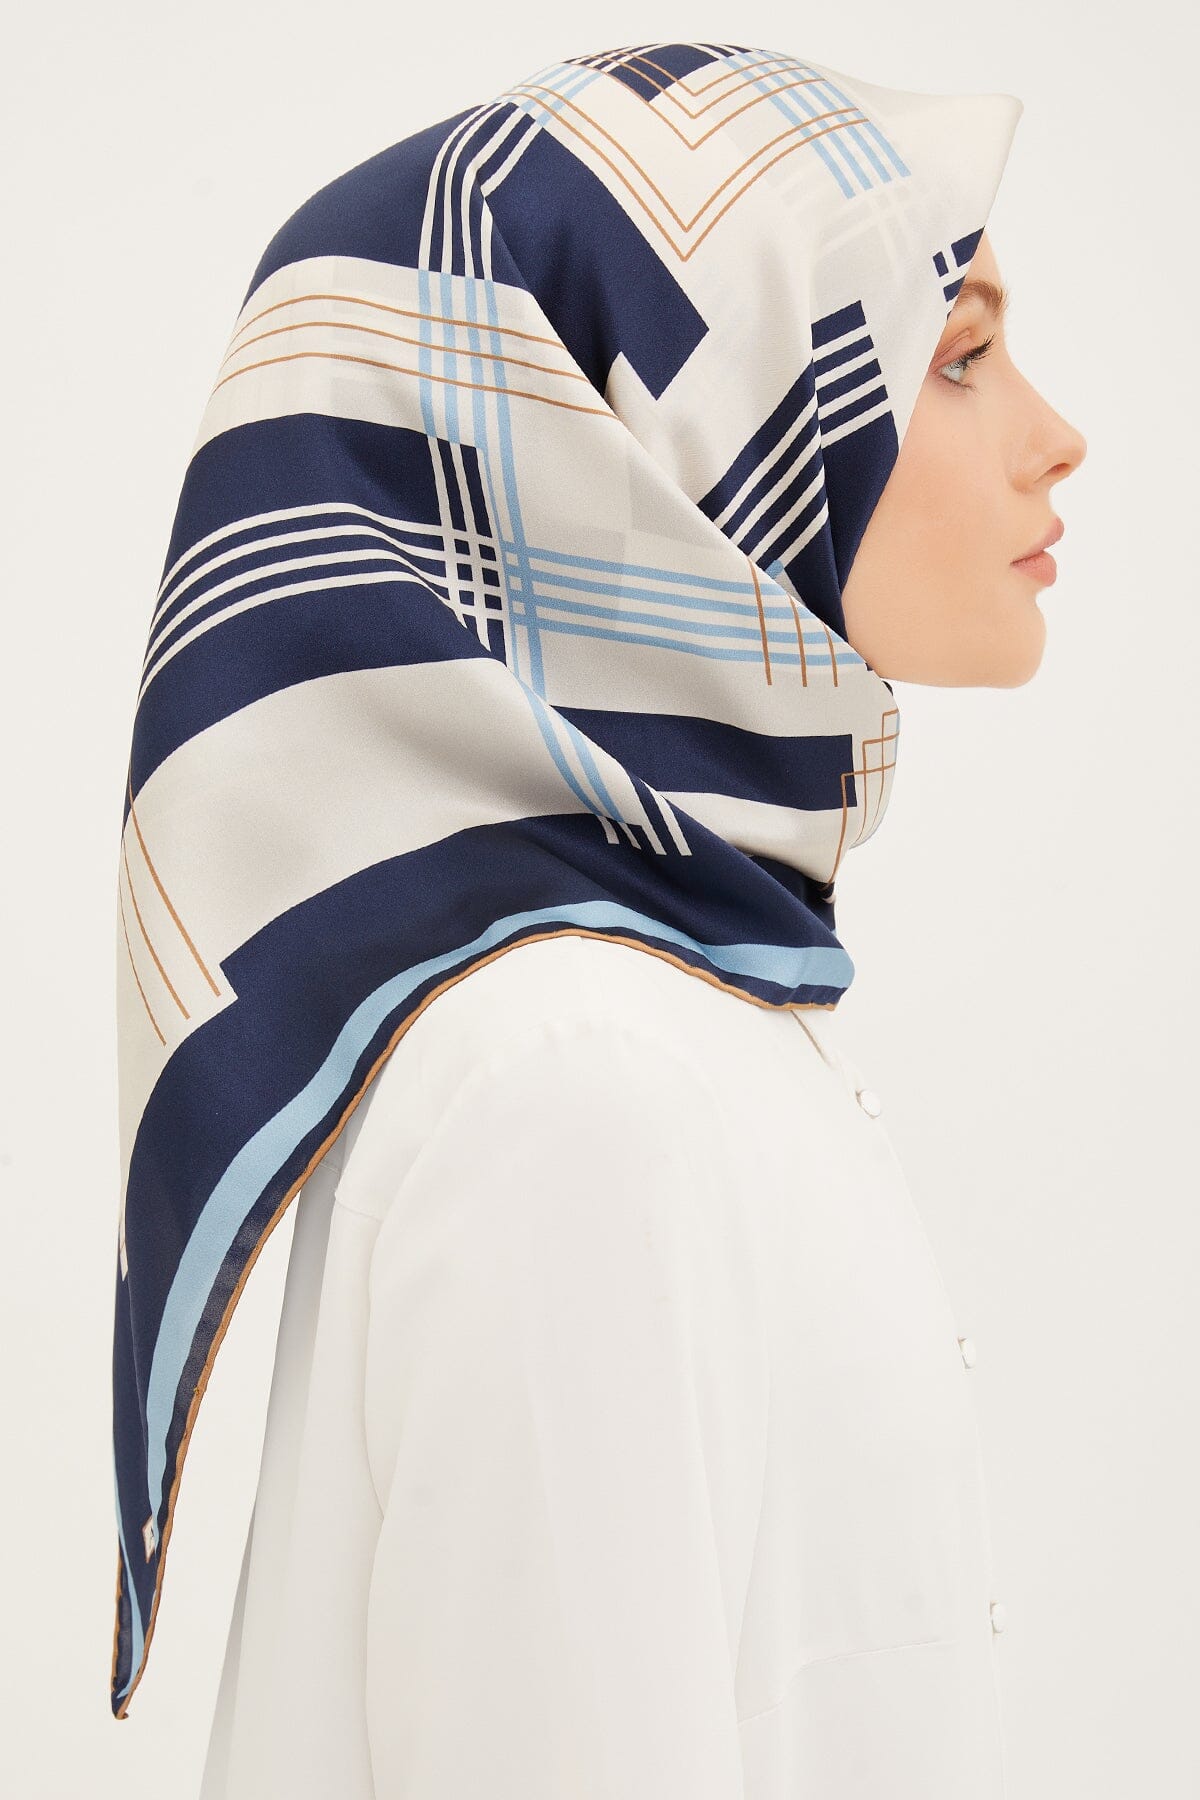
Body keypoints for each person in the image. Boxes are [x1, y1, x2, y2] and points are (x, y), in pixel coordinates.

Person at [107, 39, 1085, 1798]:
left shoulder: (677, 1028)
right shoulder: (582, 1087)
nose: (1054, 439)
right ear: (668, 458)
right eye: (958, 358)